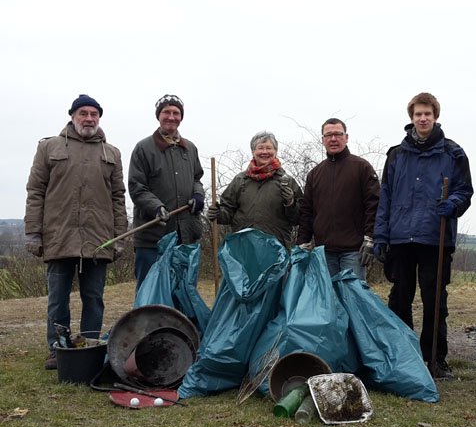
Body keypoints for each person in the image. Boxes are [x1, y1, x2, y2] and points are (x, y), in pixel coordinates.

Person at [374, 92, 473, 379]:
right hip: (401, 239)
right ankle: (403, 356)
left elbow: (465, 191)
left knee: (435, 302)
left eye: (427, 113)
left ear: (435, 116)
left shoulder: (453, 153)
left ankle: (435, 360)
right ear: (411, 117)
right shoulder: (396, 154)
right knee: (399, 300)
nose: (423, 118)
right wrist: (381, 236)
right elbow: (386, 197)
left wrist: (453, 203)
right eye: (418, 113)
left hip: (436, 239)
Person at [24, 94, 127, 370]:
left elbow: (118, 196)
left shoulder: (111, 153)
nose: (89, 118)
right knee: (58, 300)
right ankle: (58, 350)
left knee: (93, 298)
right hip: (59, 237)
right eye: (83, 113)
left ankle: (90, 348)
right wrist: (33, 232)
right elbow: (35, 191)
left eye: (94, 114)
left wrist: (120, 237)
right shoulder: (49, 148)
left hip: (99, 240)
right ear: (72, 116)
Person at [128, 94, 205, 291]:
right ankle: (148, 324)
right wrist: (156, 207)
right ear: (158, 116)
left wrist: (198, 195)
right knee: (150, 290)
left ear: (181, 117)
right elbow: (137, 187)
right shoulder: (143, 148)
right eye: (166, 112)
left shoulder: (190, 148)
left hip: (185, 234)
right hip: (153, 236)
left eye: (176, 113)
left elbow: (197, 178)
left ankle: (182, 323)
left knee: (184, 291)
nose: (171, 117)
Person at [297, 118, 380, 280]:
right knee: (329, 301)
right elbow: (307, 211)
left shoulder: (361, 167)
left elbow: (374, 205)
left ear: (346, 137)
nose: (333, 139)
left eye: (337, 134)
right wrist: (303, 242)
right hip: (324, 252)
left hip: (354, 251)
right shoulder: (315, 174)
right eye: (328, 135)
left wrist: (370, 238)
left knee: (352, 300)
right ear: (323, 140)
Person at [206, 131, 303, 249]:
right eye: (260, 148)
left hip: (276, 250)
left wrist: (290, 203)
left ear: (275, 152)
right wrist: (217, 214)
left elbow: (299, 218)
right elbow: (228, 211)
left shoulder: (287, 182)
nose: (265, 152)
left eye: (269, 148)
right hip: (244, 249)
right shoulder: (240, 180)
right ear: (253, 151)